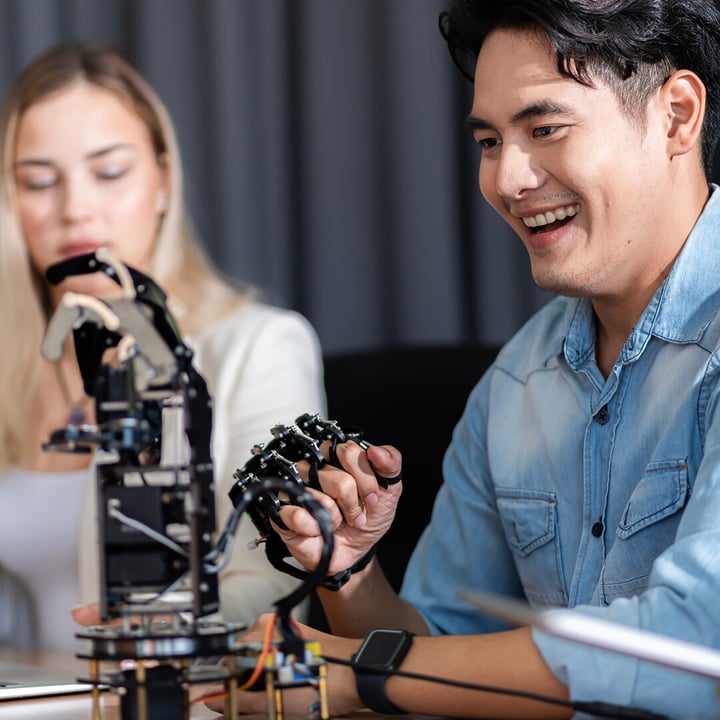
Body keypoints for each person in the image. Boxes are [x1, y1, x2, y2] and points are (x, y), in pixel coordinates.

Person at [205, 1, 720, 718]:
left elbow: (695, 651)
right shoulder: (516, 382)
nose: (507, 179)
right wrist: (349, 571)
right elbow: (439, 654)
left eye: (545, 129)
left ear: (677, 115)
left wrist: (353, 675)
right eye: (488, 141)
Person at [0, 42, 326, 653]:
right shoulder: (10, 366)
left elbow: (273, 581)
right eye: (39, 181)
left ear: (162, 181)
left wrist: (155, 632)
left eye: (109, 171)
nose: (75, 209)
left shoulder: (259, 347)